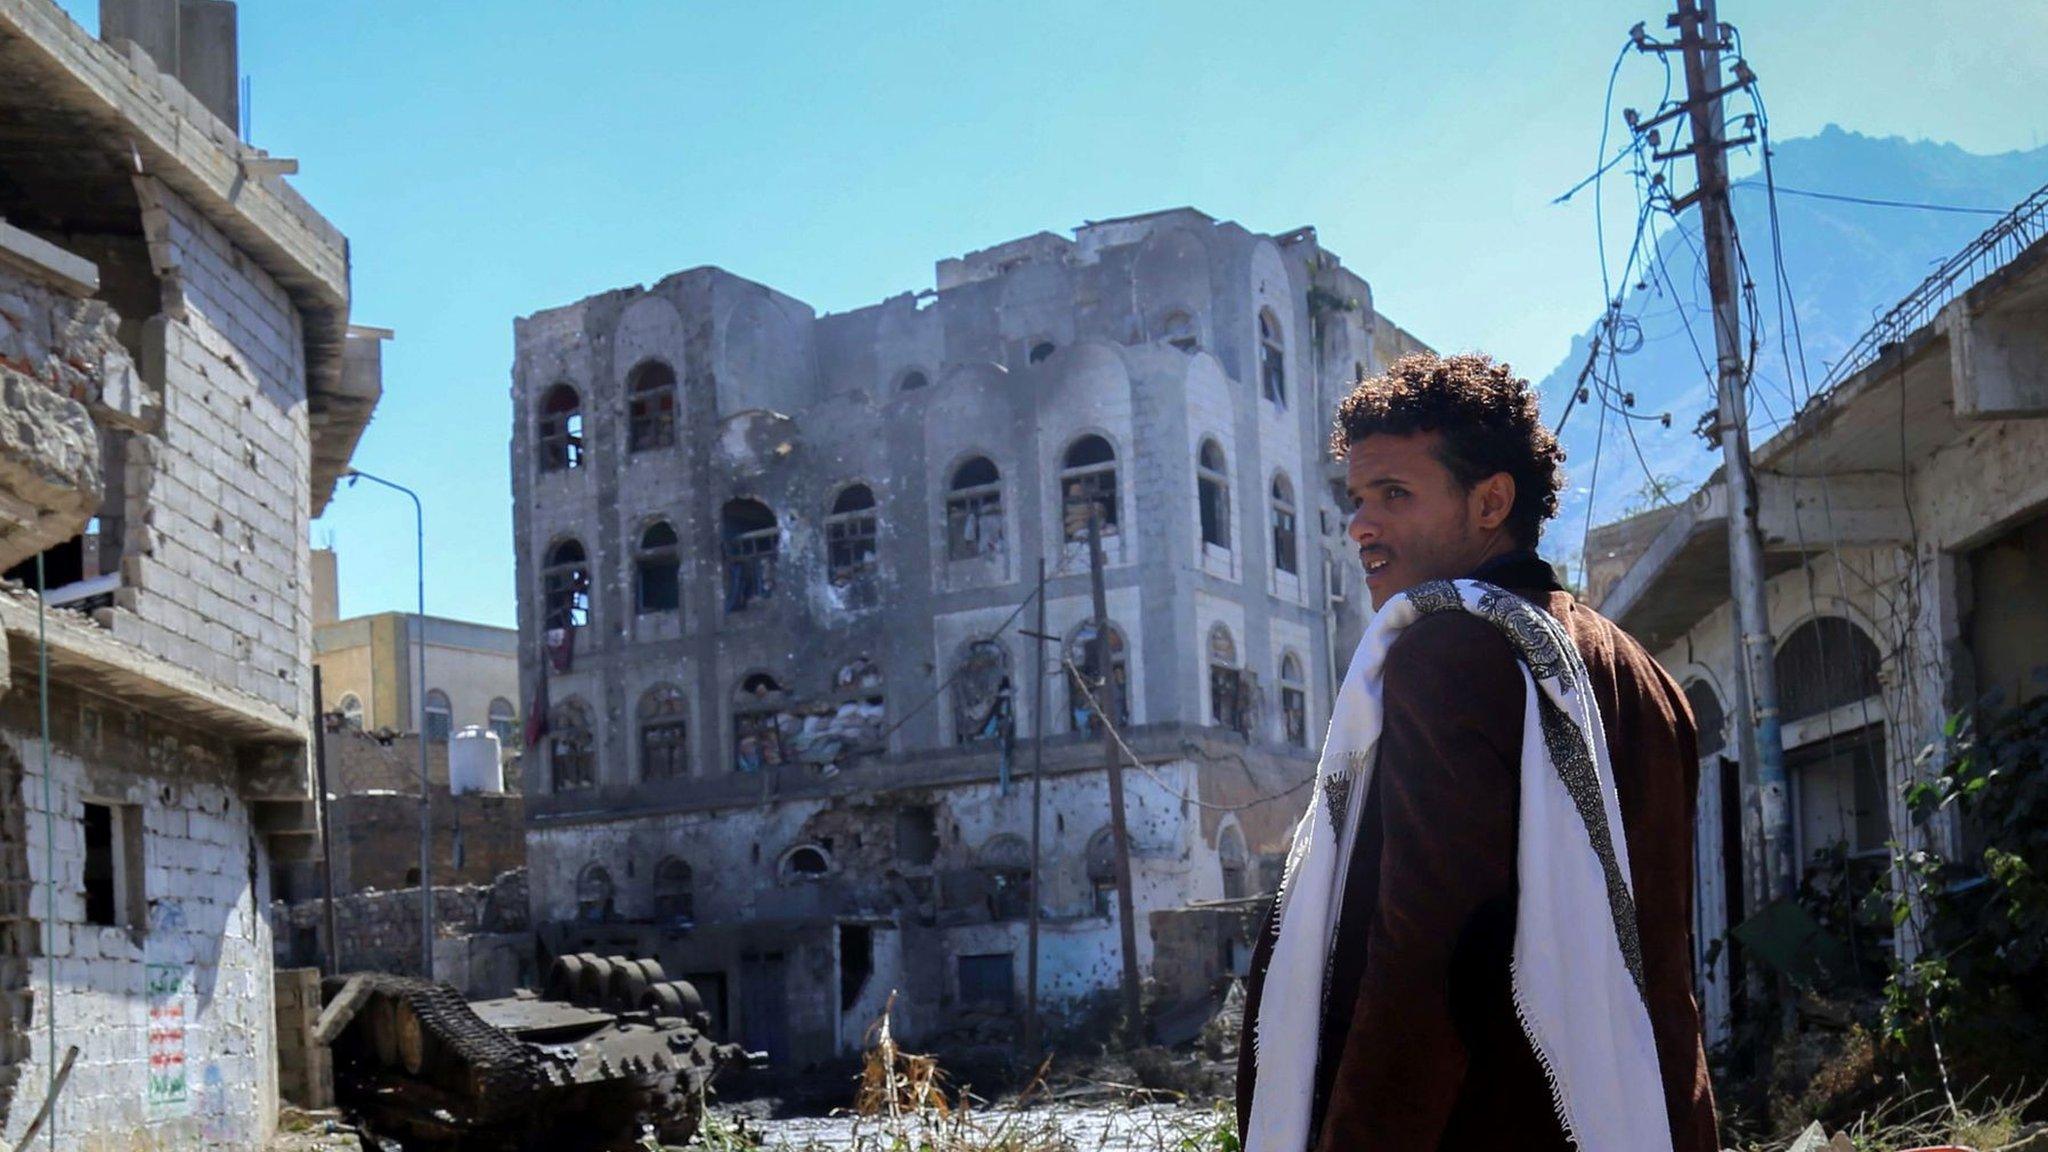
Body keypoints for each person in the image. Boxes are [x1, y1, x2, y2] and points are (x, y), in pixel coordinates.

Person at [1235, 352, 1718, 1151]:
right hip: (1648, 1119)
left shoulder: (1452, 654)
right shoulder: (1640, 671)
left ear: (1491, 501)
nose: (1361, 525)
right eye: (1357, 498)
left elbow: (1427, 963)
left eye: (1395, 495)